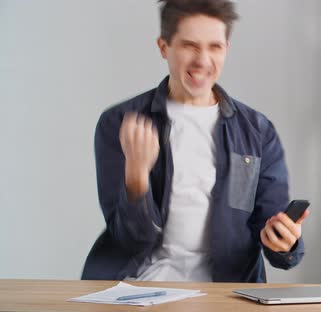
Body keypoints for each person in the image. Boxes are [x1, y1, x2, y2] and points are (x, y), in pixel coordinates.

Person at [81, 0, 309, 282]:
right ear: (164, 47)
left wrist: (285, 242)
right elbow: (128, 240)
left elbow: (275, 239)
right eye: (190, 45)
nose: (202, 60)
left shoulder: (257, 132)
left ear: (227, 49)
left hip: (226, 293)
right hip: (139, 288)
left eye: (214, 47)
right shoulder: (121, 123)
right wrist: (137, 177)